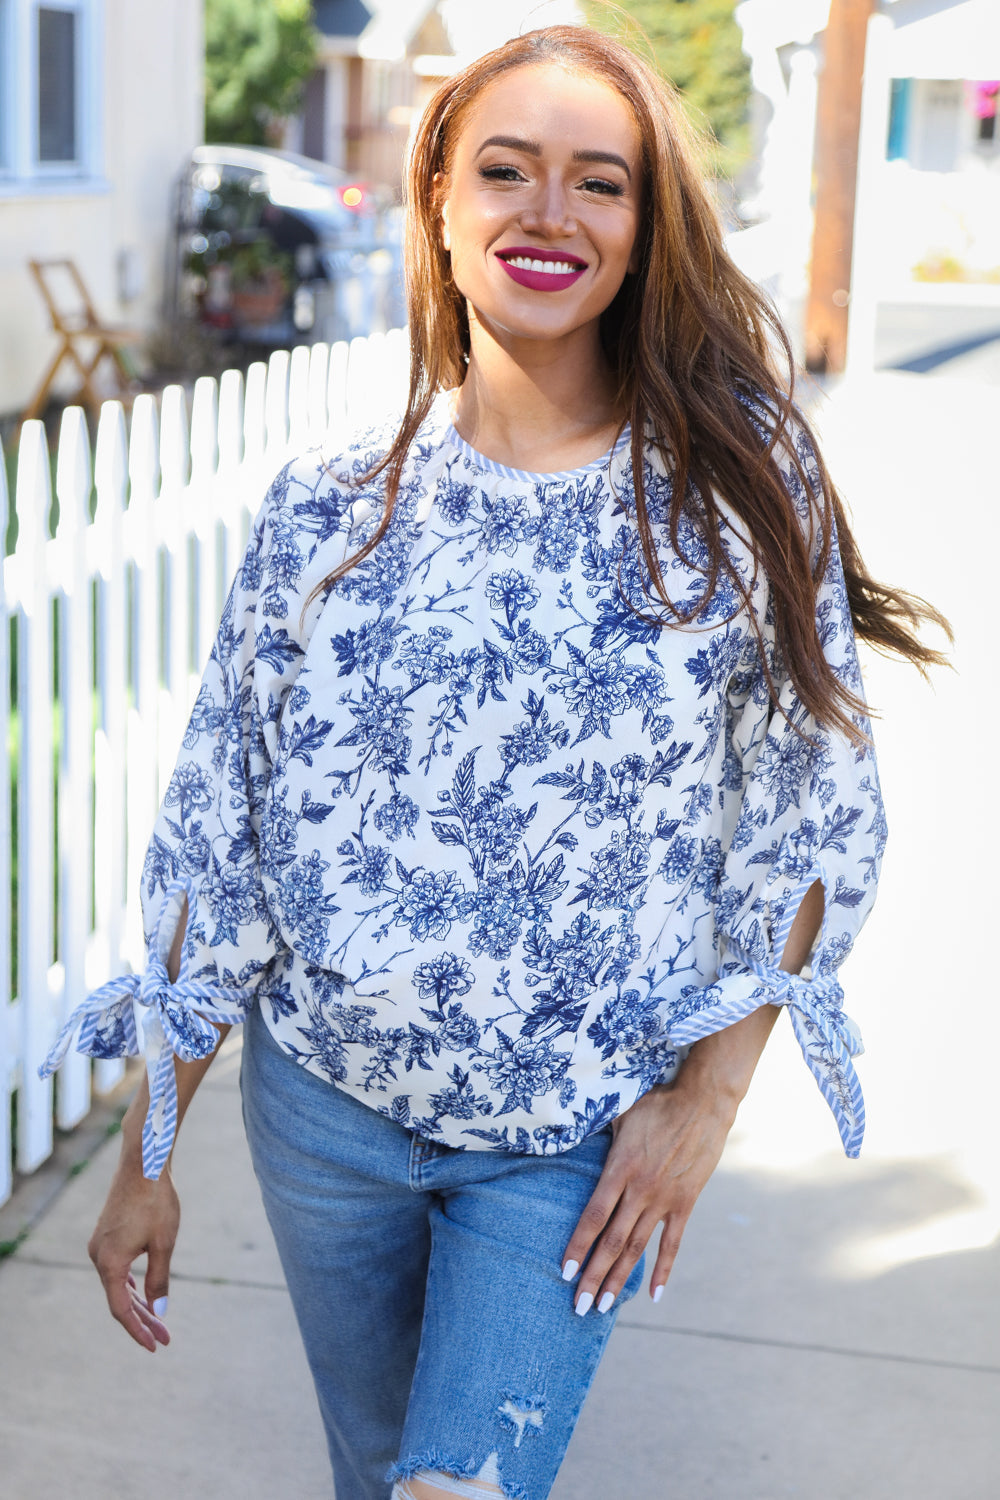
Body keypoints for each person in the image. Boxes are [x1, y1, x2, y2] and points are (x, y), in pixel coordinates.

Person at [42, 23, 948, 1500]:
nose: (550, 215)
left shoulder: (730, 493)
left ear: (645, 233)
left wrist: (703, 1106)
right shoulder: (323, 511)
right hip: (325, 1118)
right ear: (440, 202)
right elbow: (222, 836)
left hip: (570, 1140)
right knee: (377, 1474)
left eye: (600, 183)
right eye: (508, 171)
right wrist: (148, 1157)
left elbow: (815, 814)